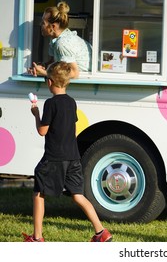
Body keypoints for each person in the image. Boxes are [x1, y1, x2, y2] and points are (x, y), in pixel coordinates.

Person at [23, 61, 112, 242]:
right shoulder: (71, 102)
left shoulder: (50, 104)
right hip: (73, 156)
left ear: (49, 82)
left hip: (54, 157)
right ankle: (101, 232)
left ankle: (37, 238)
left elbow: (42, 131)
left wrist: (36, 114)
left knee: (39, 193)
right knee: (78, 195)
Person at [28, 1, 92, 79]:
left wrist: (44, 73)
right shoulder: (56, 40)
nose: (40, 24)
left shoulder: (63, 43)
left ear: (53, 26)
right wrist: (43, 66)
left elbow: (74, 74)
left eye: (43, 23)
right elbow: (55, 62)